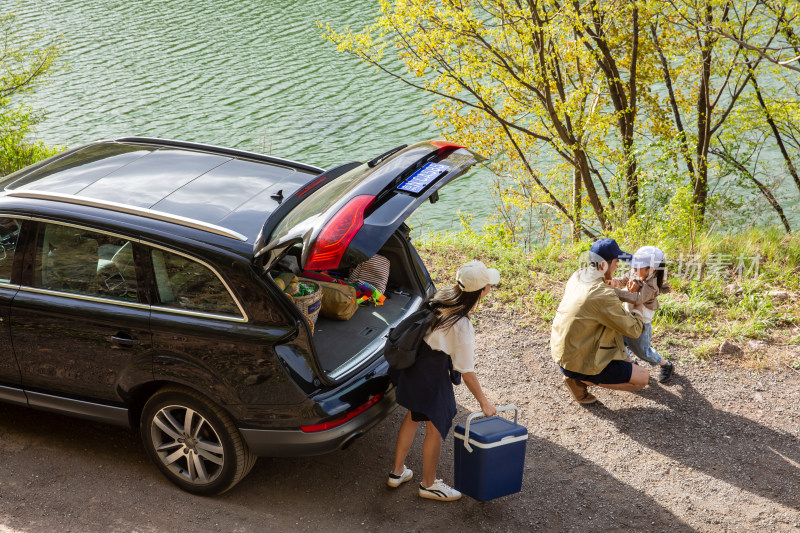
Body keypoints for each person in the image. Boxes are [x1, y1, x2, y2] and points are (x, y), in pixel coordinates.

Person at [387, 260, 498, 501]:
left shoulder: (444, 296)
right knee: (435, 427)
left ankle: (397, 472)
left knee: (413, 416)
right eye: (488, 285)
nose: (489, 287)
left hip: (413, 367)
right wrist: (484, 403)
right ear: (480, 291)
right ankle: (428, 484)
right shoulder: (461, 324)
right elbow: (466, 371)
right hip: (430, 376)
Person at [550, 238, 649, 404]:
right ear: (604, 265)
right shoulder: (602, 295)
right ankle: (580, 380)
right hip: (576, 362)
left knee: (626, 359)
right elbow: (634, 330)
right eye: (616, 262)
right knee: (642, 379)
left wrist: (618, 285)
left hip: (564, 352)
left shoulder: (579, 275)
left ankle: (579, 375)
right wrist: (638, 299)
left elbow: (602, 295)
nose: (618, 266)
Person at [607, 246, 674, 382]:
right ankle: (630, 362)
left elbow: (637, 299)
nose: (635, 270)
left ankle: (666, 365)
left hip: (642, 320)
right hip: (628, 313)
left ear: (651, 269)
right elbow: (622, 280)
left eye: (639, 268)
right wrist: (613, 282)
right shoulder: (635, 271)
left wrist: (614, 292)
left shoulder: (651, 286)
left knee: (643, 350)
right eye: (634, 266)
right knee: (619, 340)